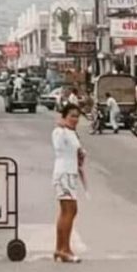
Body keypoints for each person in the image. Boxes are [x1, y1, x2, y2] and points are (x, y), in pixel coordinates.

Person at [52, 102, 85, 263]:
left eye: (77, 116)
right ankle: (64, 249)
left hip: (72, 174)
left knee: (71, 211)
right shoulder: (59, 132)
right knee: (68, 210)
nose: (75, 119)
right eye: (72, 115)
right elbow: (59, 147)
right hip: (63, 174)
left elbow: (75, 151)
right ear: (64, 116)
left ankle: (61, 248)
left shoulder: (72, 133)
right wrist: (63, 128)